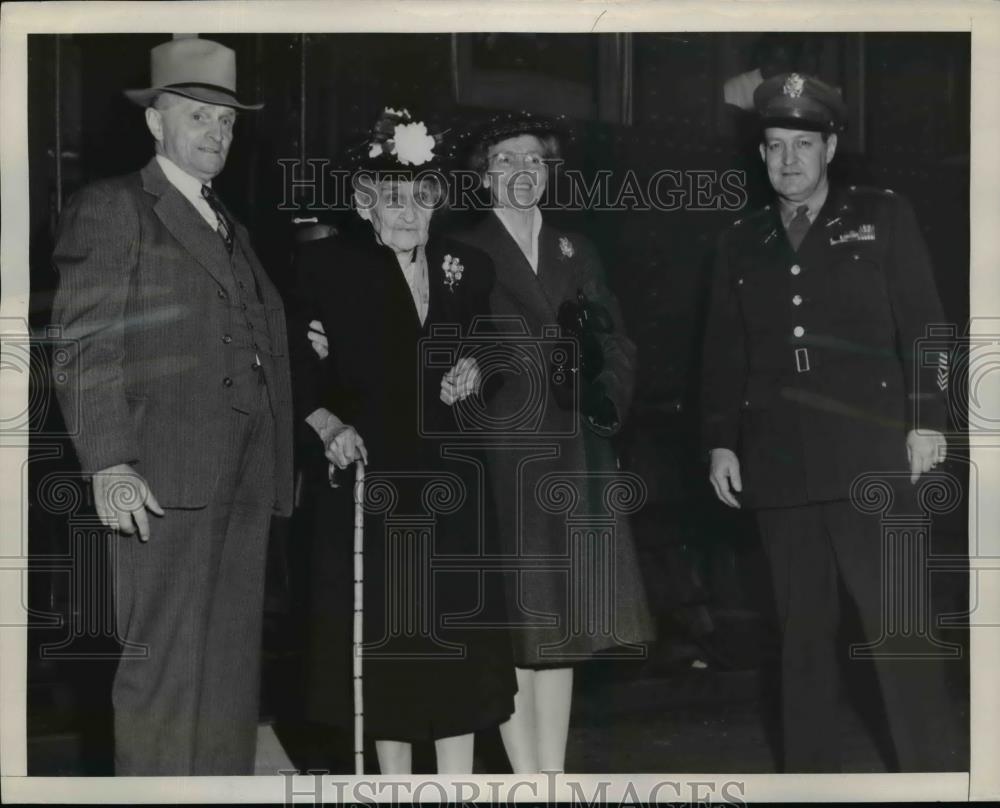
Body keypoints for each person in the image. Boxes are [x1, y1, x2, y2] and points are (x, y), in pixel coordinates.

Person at [50, 37, 293, 775]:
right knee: (161, 679)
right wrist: (110, 463)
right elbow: (84, 345)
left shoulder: (232, 225)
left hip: (243, 481)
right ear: (156, 123)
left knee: (226, 680)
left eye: (226, 122)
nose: (216, 134)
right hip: (162, 479)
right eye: (198, 117)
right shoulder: (115, 207)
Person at [702, 72, 957, 772]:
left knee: (899, 634)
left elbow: (925, 326)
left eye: (804, 144)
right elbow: (725, 352)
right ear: (760, 154)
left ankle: (932, 779)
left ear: (831, 146)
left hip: (873, 452)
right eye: (776, 145)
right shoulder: (740, 239)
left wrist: (926, 419)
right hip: (779, 462)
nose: (788, 160)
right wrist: (722, 441)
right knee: (800, 640)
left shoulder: (883, 214)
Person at [290, 108, 517, 774]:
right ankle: (391, 786)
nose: (408, 210)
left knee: (456, 641)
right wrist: (327, 425)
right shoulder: (326, 267)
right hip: (373, 480)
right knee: (385, 641)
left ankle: (457, 784)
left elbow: (496, 352)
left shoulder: (466, 266)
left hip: (453, 483)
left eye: (422, 196)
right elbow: (295, 364)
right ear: (364, 202)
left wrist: (481, 368)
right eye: (392, 197)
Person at [452, 112, 655, 773]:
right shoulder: (460, 251)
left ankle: (553, 774)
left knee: (563, 621)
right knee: (520, 617)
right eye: (506, 161)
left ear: (549, 173)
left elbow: (616, 341)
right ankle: (522, 779)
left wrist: (604, 405)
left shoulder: (577, 250)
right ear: (484, 176)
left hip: (574, 448)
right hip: (506, 454)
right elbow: (443, 347)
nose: (521, 173)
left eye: (534, 161)